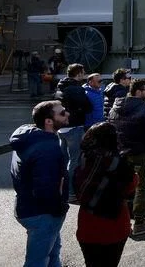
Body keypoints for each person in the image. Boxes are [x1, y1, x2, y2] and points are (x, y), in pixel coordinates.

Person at [10, 100, 70, 267]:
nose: (67, 114)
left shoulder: (31, 137)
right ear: (48, 121)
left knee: (52, 251)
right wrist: (59, 209)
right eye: (62, 112)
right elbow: (46, 187)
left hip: (29, 207)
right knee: (37, 261)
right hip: (42, 213)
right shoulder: (47, 148)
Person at [73, 122, 137, 267]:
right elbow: (130, 188)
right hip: (115, 225)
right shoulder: (120, 164)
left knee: (91, 263)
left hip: (87, 223)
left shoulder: (84, 160)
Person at [108, 78, 145, 236]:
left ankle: (122, 220)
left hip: (121, 153)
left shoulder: (115, 106)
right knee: (141, 187)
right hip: (140, 153)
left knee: (123, 186)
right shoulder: (144, 109)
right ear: (138, 91)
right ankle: (139, 222)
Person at [54, 62, 92, 199]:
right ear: (79, 73)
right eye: (83, 72)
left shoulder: (60, 86)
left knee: (63, 160)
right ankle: (70, 192)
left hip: (61, 128)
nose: (84, 74)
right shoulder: (76, 89)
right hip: (74, 127)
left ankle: (60, 189)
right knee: (74, 161)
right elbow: (88, 107)